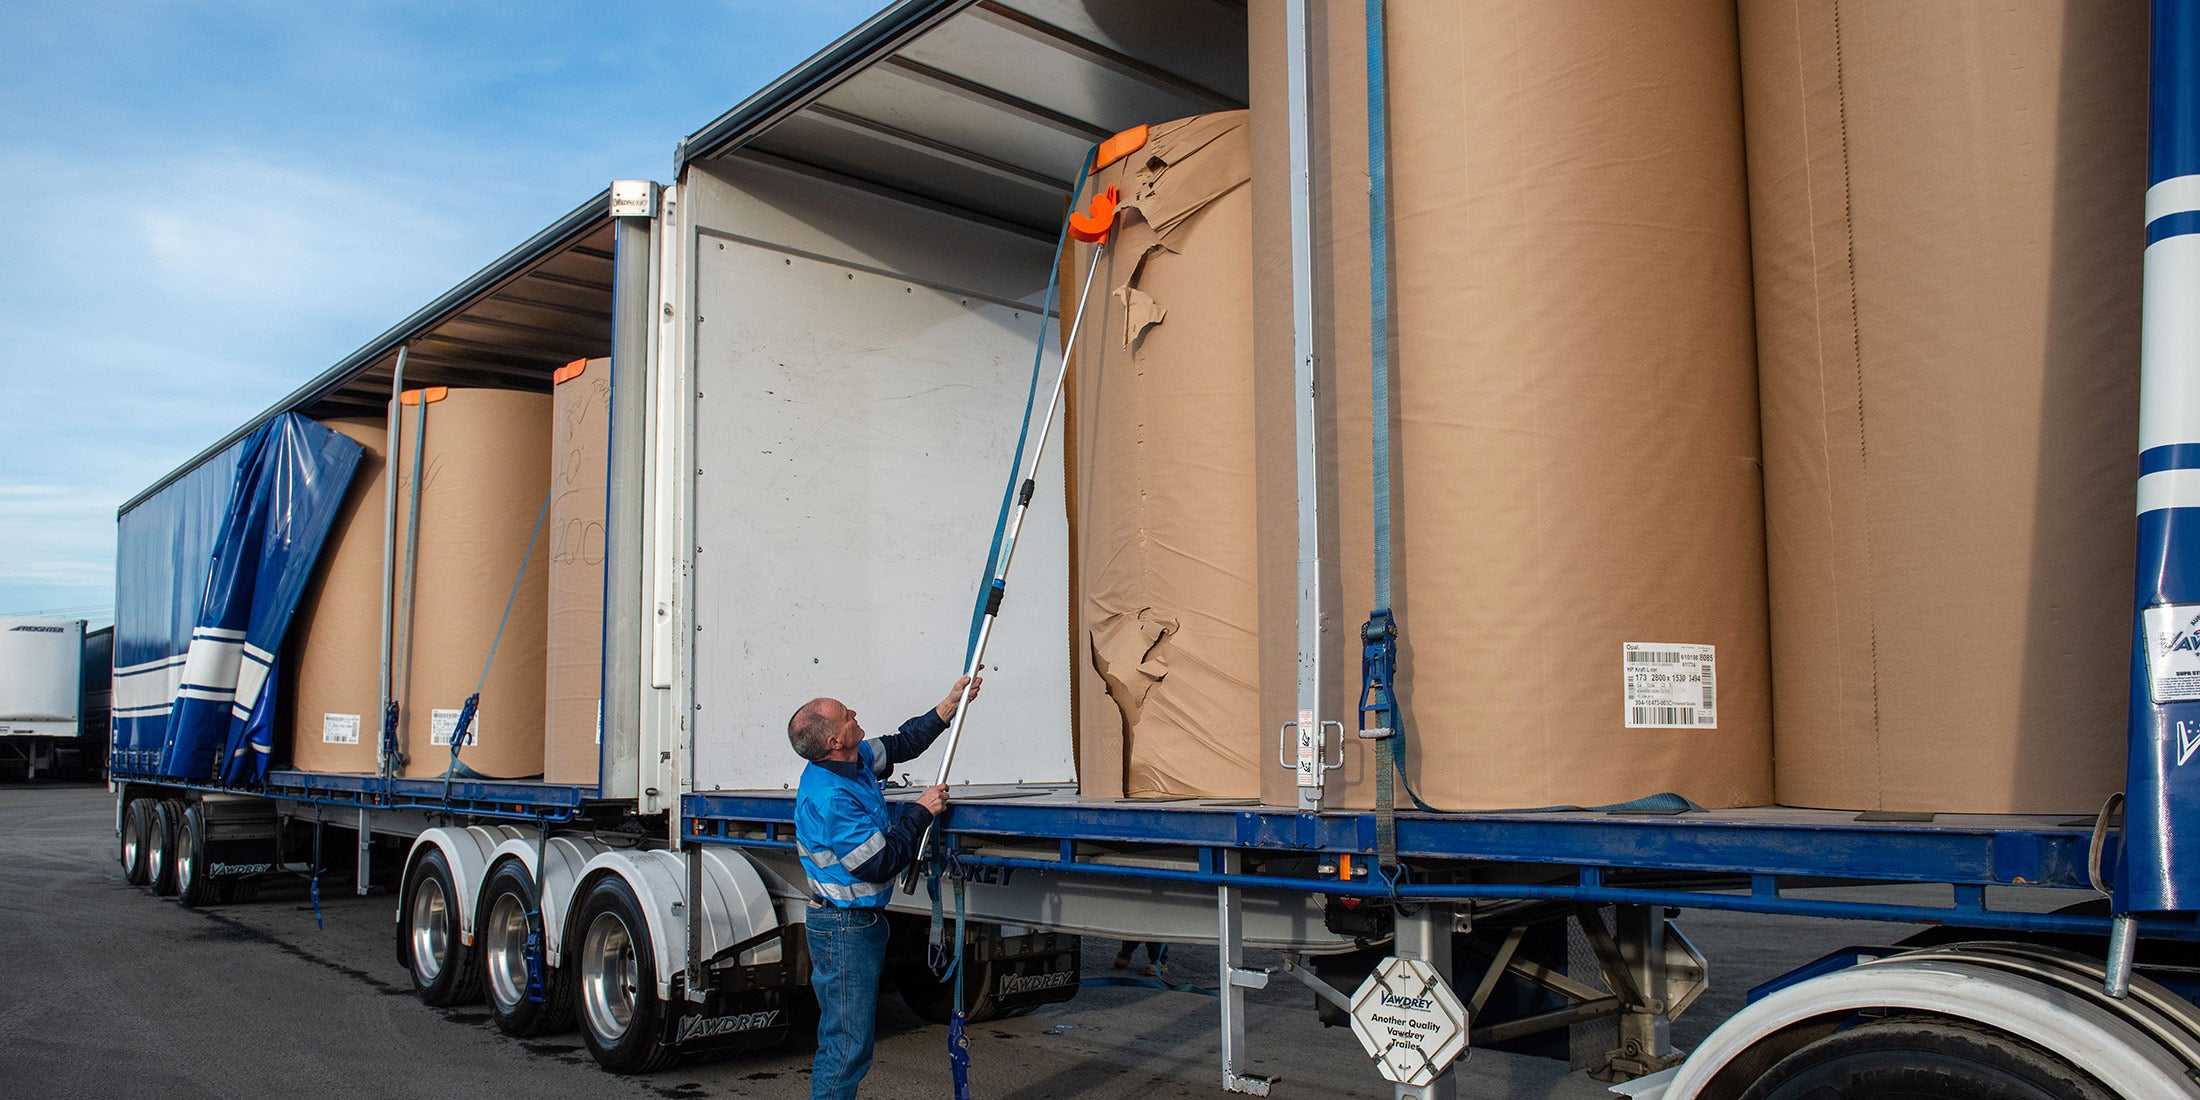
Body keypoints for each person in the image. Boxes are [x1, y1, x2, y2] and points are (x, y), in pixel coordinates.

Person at [789, 674, 979, 1100]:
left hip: (856, 925)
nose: (855, 714)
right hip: (843, 928)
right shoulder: (832, 796)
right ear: (834, 741)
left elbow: (902, 743)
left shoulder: (850, 762)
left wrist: (948, 706)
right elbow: (880, 863)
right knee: (847, 1046)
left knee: (849, 1042)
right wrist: (919, 812)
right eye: (846, 716)